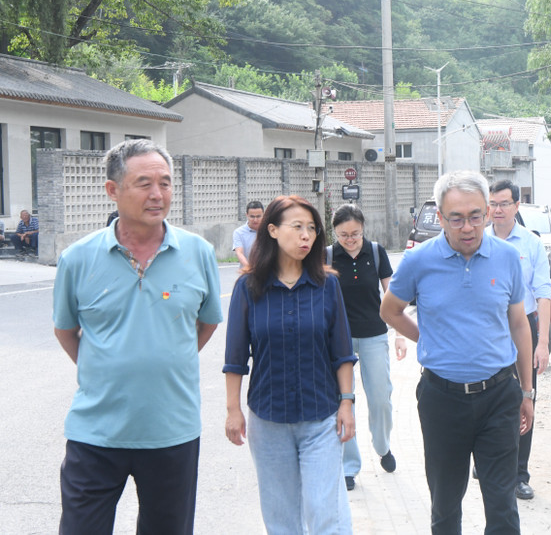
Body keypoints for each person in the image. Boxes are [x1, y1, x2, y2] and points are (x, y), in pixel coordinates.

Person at [52, 139, 222, 534]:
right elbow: (65, 330)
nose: (157, 194)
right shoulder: (78, 258)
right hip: (95, 433)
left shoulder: (198, 252)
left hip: (172, 431)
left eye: (165, 182)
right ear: (112, 190)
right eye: (144, 183)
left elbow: (207, 323)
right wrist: (106, 366)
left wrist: (166, 357)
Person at [380, 170, 535, 534]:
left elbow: (519, 324)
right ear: (440, 216)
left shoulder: (507, 257)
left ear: (487, 212)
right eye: (456, 218)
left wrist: (527, 391)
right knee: (446, 505)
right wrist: (429, 338)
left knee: (502, 506)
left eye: (476, 216)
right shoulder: (419, 260)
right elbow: (390, 310)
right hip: (442, 398)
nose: (468, 227)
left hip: (499, 395)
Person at [224, 195, 357, 534]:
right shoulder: (248, 287)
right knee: (280, 517)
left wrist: (347, 403)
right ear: (272, 230)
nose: (306, 235)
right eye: (297, 226)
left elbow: (342, 351)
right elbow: (235, 358)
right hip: (268, 419)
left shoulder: (327, 285)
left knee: (324, 510)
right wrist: (233, 411)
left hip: (321, 417)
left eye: (311, 228)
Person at [328, 203, 404, 492]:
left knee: (381, 398)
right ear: (335, 233)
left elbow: (392, 296)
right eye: (344, 235)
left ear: (363, 229)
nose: (350, 240)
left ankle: (382, 446)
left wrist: (399, 334)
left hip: (374, 334)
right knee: (344, 401)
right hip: (339, 340)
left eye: (355, 234)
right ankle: (349, 466)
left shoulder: (376, 252)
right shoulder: (327, 256)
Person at [486, 179, 551, 501]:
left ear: (516, 206)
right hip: (487, 329)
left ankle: (519, 474)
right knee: (486, 398)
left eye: (504, 204)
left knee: (524, 398)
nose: (497, 210)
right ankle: (488, 462)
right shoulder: (478, 240)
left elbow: (543, 293)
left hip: (523, 327)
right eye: (493, 204)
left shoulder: (530, 244)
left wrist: (543, 344)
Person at [232, 201, 264, 270]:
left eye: (258, 216)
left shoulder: (269, 230)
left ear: (263, 215)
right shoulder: (239, 232)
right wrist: (250, 269)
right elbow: (239, 253)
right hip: (248, 272)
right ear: (247, 215)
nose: (255, 220)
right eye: (252, 216)